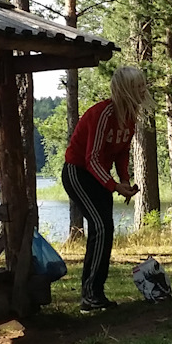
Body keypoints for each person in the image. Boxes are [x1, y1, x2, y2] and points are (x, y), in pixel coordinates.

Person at [60, 66, 151, 311]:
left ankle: (94, 294)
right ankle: (90, 295)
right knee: (100, 226)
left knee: (105, 228)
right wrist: (114, 186)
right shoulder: (103, 114)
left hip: (98, 175)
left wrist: (124, 179)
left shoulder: (129, 117)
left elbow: (121, 152)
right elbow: (91, 158)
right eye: (139, 86)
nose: (144, 90)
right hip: (78, 172)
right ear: (127, 90)